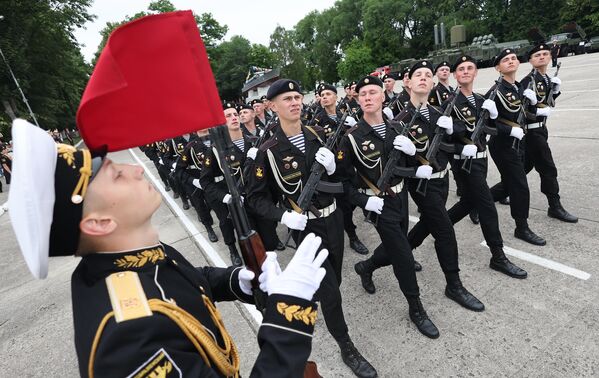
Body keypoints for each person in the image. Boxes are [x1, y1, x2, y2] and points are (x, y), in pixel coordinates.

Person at [8, 118, 329, 378]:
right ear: (99, 223)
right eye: (117, 175)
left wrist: (237, 280)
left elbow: (184, 280)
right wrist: (289, 316)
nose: (135, 169)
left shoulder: (125, 256)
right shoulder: (129, 343)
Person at [246, 79, 378, 378]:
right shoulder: (268, 150)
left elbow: (343, 178)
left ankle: (314, 292)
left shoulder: (319, 134)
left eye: (297, 97)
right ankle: (347, 346)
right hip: (305, 228)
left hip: (333, 221)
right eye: (287, 99)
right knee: (332, 293)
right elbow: (254, 198)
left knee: (335, 279)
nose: (295, 102)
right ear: (272, 106)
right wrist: (283, 216)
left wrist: (333, 168)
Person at [337, 75, 440, 339]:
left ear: (383, 96)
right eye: (363, 95)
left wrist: (415, 160)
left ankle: (366, 267)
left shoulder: (396, 128)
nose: (368, 98)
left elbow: (402, 168)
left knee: (397, 247)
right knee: (404, 257)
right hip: (378, 204)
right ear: (358, 101)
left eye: (373, 93)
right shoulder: (351, 138)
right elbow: (342, 184)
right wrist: (363, 201)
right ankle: (416, 308)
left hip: (401, 198)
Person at [407, 55, 527, 279]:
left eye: (469, 68)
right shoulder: (446, 105)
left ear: (475, 73)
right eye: (460, 69)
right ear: (454, 75)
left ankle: (415, 239)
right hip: (464, 164)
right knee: (486, 206)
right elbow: (443, 140)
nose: (465, 72)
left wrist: (493, 118)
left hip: (481, 159)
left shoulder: (482, 100)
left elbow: (488, 130)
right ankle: (498, 255)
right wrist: (460, 145)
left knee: (462, 207)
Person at [402, 61, 485, 313]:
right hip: (422, 185)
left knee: (426, 227)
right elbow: (393, 164)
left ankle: (372, 264)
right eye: (419, 75)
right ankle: (454, 284)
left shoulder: (439, 115)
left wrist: (462, 145)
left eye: (428, 75)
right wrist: (412, 162)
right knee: (445, 232)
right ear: (409, 82)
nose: (424, 78)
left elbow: (448, 143)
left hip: (442, 179)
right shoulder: (400, 119)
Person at [487, 48, 546, 246]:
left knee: (510, 183)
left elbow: (525, 115)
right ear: (498, 67)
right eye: (505, 60)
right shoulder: (495, 92)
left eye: (513, 58)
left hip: (519, 142)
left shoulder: (520, 87)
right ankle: (522, 227)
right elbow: (487, 125)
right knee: (520, 185)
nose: (511, 61)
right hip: (503, 144)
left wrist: (535, 105)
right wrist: (508, 131)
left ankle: (478, 204)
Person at [520, 43, 577, 223]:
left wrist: (556, 92)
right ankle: (555, 205)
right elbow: (518, 111)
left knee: (521, 171)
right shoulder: (527, 81)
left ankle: (489, 197)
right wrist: (536, 112)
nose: (542, 57)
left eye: (545, 54)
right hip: (531, 132)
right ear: (530, 60)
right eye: (537, 55)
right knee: (548, 168)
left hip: (541, 129)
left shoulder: (545, 78)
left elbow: (547, 102)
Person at [310, 83, 369, 255]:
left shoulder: (345, 115)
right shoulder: (316, 122)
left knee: (355, 201)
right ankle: (352, 236)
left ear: (336, 97)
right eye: (322, 94)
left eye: (328, 93)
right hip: (334, 171)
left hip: (352, 166)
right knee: (345, 205)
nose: (324, 97)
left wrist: (356, 125)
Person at [177, 129, 219, 242]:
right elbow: (179, 170)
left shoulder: (217, 140)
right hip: (196, 181)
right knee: (200, 205)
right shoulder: (191, 146)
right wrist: (193, 181)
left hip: (211, 182)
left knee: (213, 204)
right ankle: (209, 228)